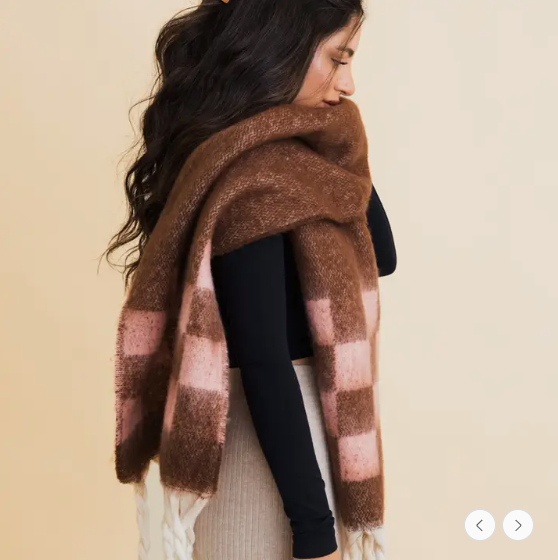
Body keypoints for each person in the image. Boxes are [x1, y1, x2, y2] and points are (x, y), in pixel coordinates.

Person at [104, 1, 396, 558]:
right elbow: (263, 360)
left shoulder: (297, 159)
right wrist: (314, 531)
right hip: (266, 461)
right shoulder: (249, 178)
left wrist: (342, 148)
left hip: (313, 433)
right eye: (338, 59)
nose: (349, 84)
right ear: (280, 50)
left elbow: (381, 255)